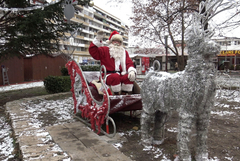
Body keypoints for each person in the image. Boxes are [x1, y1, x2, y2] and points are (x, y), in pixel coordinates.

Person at [88, 30, 136, 95]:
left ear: (121, 43)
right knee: (115, 77)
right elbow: (94, 52)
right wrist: (98, 39)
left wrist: (131, 71)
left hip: (120, 74)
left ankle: (125, 94)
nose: (116, 43)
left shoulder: (124, 52)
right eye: (114, 41)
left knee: (129, 77)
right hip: (107, 75)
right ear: (111, 42)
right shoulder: (105, 50)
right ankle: (116, 95)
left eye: (118, 41)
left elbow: (129, 63)